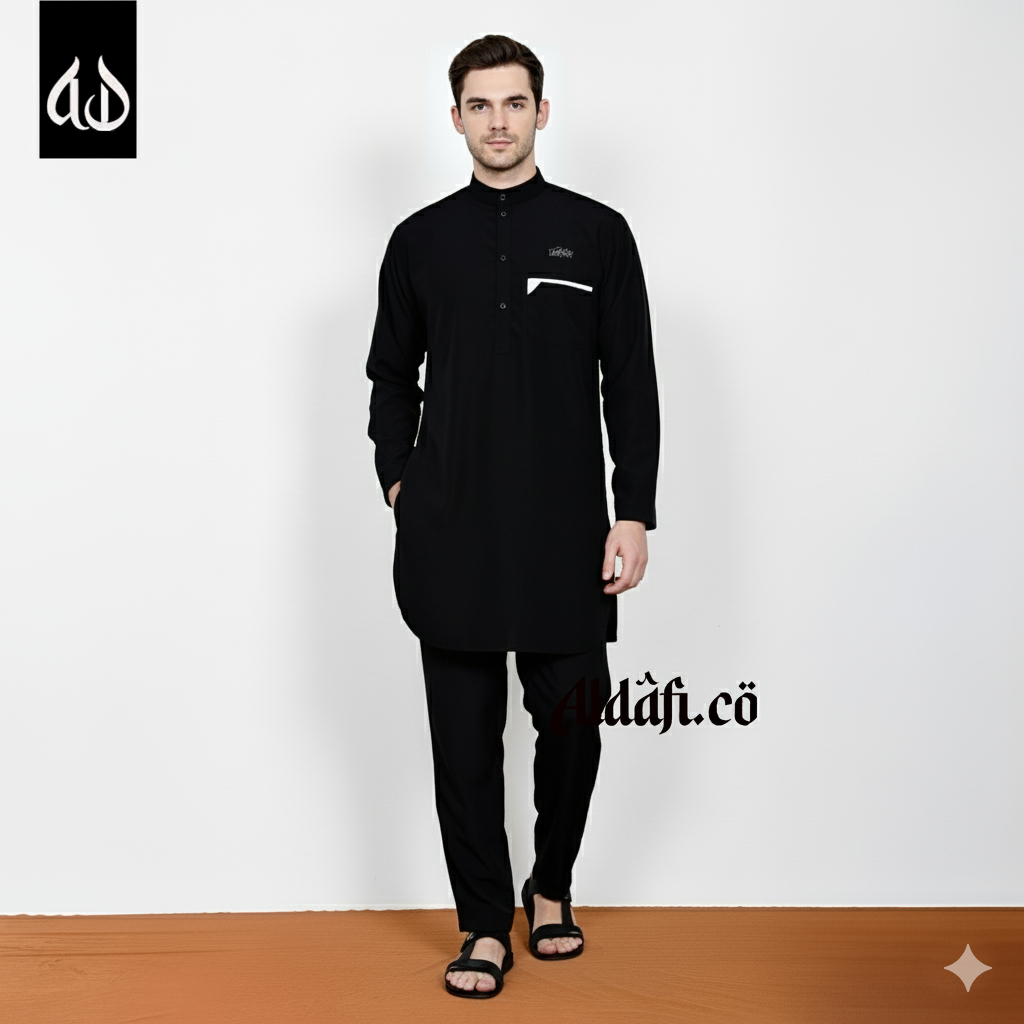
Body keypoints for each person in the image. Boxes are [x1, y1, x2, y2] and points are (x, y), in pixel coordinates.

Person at [365, 34, 660, 998]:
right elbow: (389, 378)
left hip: (566, 535)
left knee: (573, 725)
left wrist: (634, 511)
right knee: (463, 746)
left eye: (515, 102)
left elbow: (632, 383)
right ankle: (484, 924)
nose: (499, 121)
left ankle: (553, 887)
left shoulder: (598, 233)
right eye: (480, 105)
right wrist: (401, 483)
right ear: (455, 118)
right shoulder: (419, 241)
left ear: (543, 111)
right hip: (450, 533)